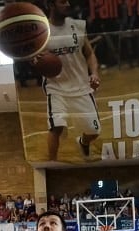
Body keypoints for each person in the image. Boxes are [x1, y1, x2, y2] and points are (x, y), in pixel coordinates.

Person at [42, 0, 101, 162]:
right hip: (56, 88)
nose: (67, 4)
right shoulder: (41, 31)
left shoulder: (77, 26)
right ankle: (51, 165)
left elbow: (89, 53)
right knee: (56, 127)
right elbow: (35, 59)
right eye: (62, 1)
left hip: (81, 86)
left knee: (94, 132)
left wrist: (94, 73)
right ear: (51, 4)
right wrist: (36, 62)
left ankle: (83, 142)